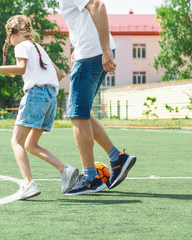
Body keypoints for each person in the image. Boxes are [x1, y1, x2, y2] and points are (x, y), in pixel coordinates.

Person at [0, 15, 79, 200]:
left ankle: (29, 183)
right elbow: (59, 74)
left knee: (16, 142)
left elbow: (21, 68)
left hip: (36, 95)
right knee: (31, 145)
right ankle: (65, 170)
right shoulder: (38, 48)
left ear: (12, 34)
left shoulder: (21, 46)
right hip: (51, 98)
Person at [58, 0, 137, 195]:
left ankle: (90, 178)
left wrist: (105, 50)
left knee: (77, 114)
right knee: (81, 112)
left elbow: (98, 6)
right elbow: (83, 19)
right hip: (89, 52)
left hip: (91, 54)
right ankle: (117, 158)